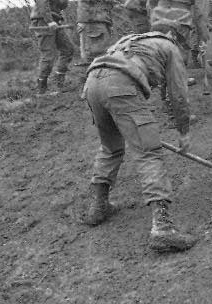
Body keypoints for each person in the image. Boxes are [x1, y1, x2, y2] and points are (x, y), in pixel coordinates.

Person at [82, 22, 197, 252]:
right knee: (149, 152)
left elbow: (164, 91)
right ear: (175, 37)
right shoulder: (170, 47)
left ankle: (99, 205)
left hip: (93, 83)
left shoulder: (134, 41)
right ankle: (162, 228)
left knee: (110, 148)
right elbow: (178, 94)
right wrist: (183, 131)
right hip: (120, 85)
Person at [30, 0, 76, 94]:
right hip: (44, 20)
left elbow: (61, 3)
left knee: (68, 49)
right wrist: (49, 20)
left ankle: (58, 82)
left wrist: (57, 18)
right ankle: (41, 88)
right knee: (48, 55)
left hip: (56, 20)